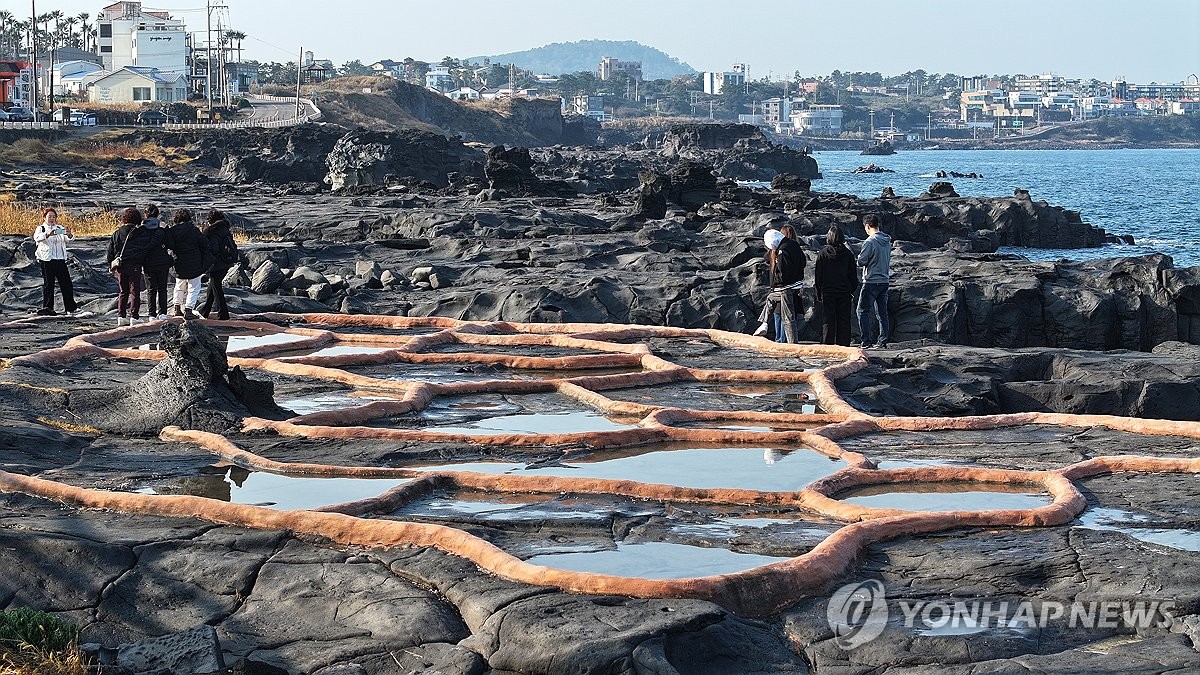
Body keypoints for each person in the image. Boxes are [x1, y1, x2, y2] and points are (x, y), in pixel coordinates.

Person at [106, 207, 158, 326]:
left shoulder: (117, 233)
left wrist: (111, 265)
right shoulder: (140, 232)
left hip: (120, 265)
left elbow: (110, 252)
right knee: (135, 291)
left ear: (124, 218)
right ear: (137, 219)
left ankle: (121, 316)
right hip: (135, 264)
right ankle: (134, 316)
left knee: (123, 291)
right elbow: (147, 247)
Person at [758, 228, 806, 343]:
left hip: (785, 288)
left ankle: (792, 343)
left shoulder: (782, 251)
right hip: (796, 286)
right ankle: (764, 324)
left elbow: (783, 273)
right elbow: (803, 261)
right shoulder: (794, 244)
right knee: (771, 300)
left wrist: (775, 281)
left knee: (788, 318)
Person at [32, 208, 82, 316]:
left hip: (60, 259)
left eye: (53, 217)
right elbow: (37, 238)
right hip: (47, 260)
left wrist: (69, 234)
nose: (51, 219)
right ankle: (48, 308)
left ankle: (71, 308)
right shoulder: (41, 228)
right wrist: (48, 234)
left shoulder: (59, 228)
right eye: (49, 216)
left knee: (67, 284)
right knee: (48, 285)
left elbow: (68, 239)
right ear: (44, 217)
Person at [814, 225, 858, 346]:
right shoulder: (848, 254)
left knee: (828, 321)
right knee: (844, 321)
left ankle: (827, 345)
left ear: (829, 238)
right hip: (844, 292)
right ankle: (843, 345)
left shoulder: (822, 254)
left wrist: (818, 292)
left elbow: (818, 276)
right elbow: (853, 276)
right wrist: (851, 289)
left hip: (828, 292)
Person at [167, 209, 212, 319]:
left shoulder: (172, 231)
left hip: (178, 263)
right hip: (194, 264)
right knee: (194, 288)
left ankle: (177, 308)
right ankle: (188, 310)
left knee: (179, 286)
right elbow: (205, 243)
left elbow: (170, 245)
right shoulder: (193, 230)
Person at [856, 214, 893, 348]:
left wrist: (857, 257)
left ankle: (866, 341)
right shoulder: (887, 240)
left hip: (871, 281)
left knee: (862, 311)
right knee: (882, 313)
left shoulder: (870, 242)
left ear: (867, 226)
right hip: (884, 280)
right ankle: (882, 341)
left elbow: (862, 261)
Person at [200, 209, 238, 320]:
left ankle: (223, 314)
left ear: (210, 220)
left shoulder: (210, 231)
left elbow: (213, 249)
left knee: (216, 286)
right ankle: (205, 311)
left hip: (216, 263)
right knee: (213, 286)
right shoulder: (225, 229)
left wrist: (207, 261)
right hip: (227, 261)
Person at [140, 205, 173, 321]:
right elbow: (170, 244)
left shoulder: (141, 228)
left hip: (148, 262)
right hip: (162, 261)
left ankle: (151, 315)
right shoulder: (163, 227)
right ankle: (163, 313)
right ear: (157, 214)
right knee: (162, 288)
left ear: (145, 214)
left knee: (150, 289)